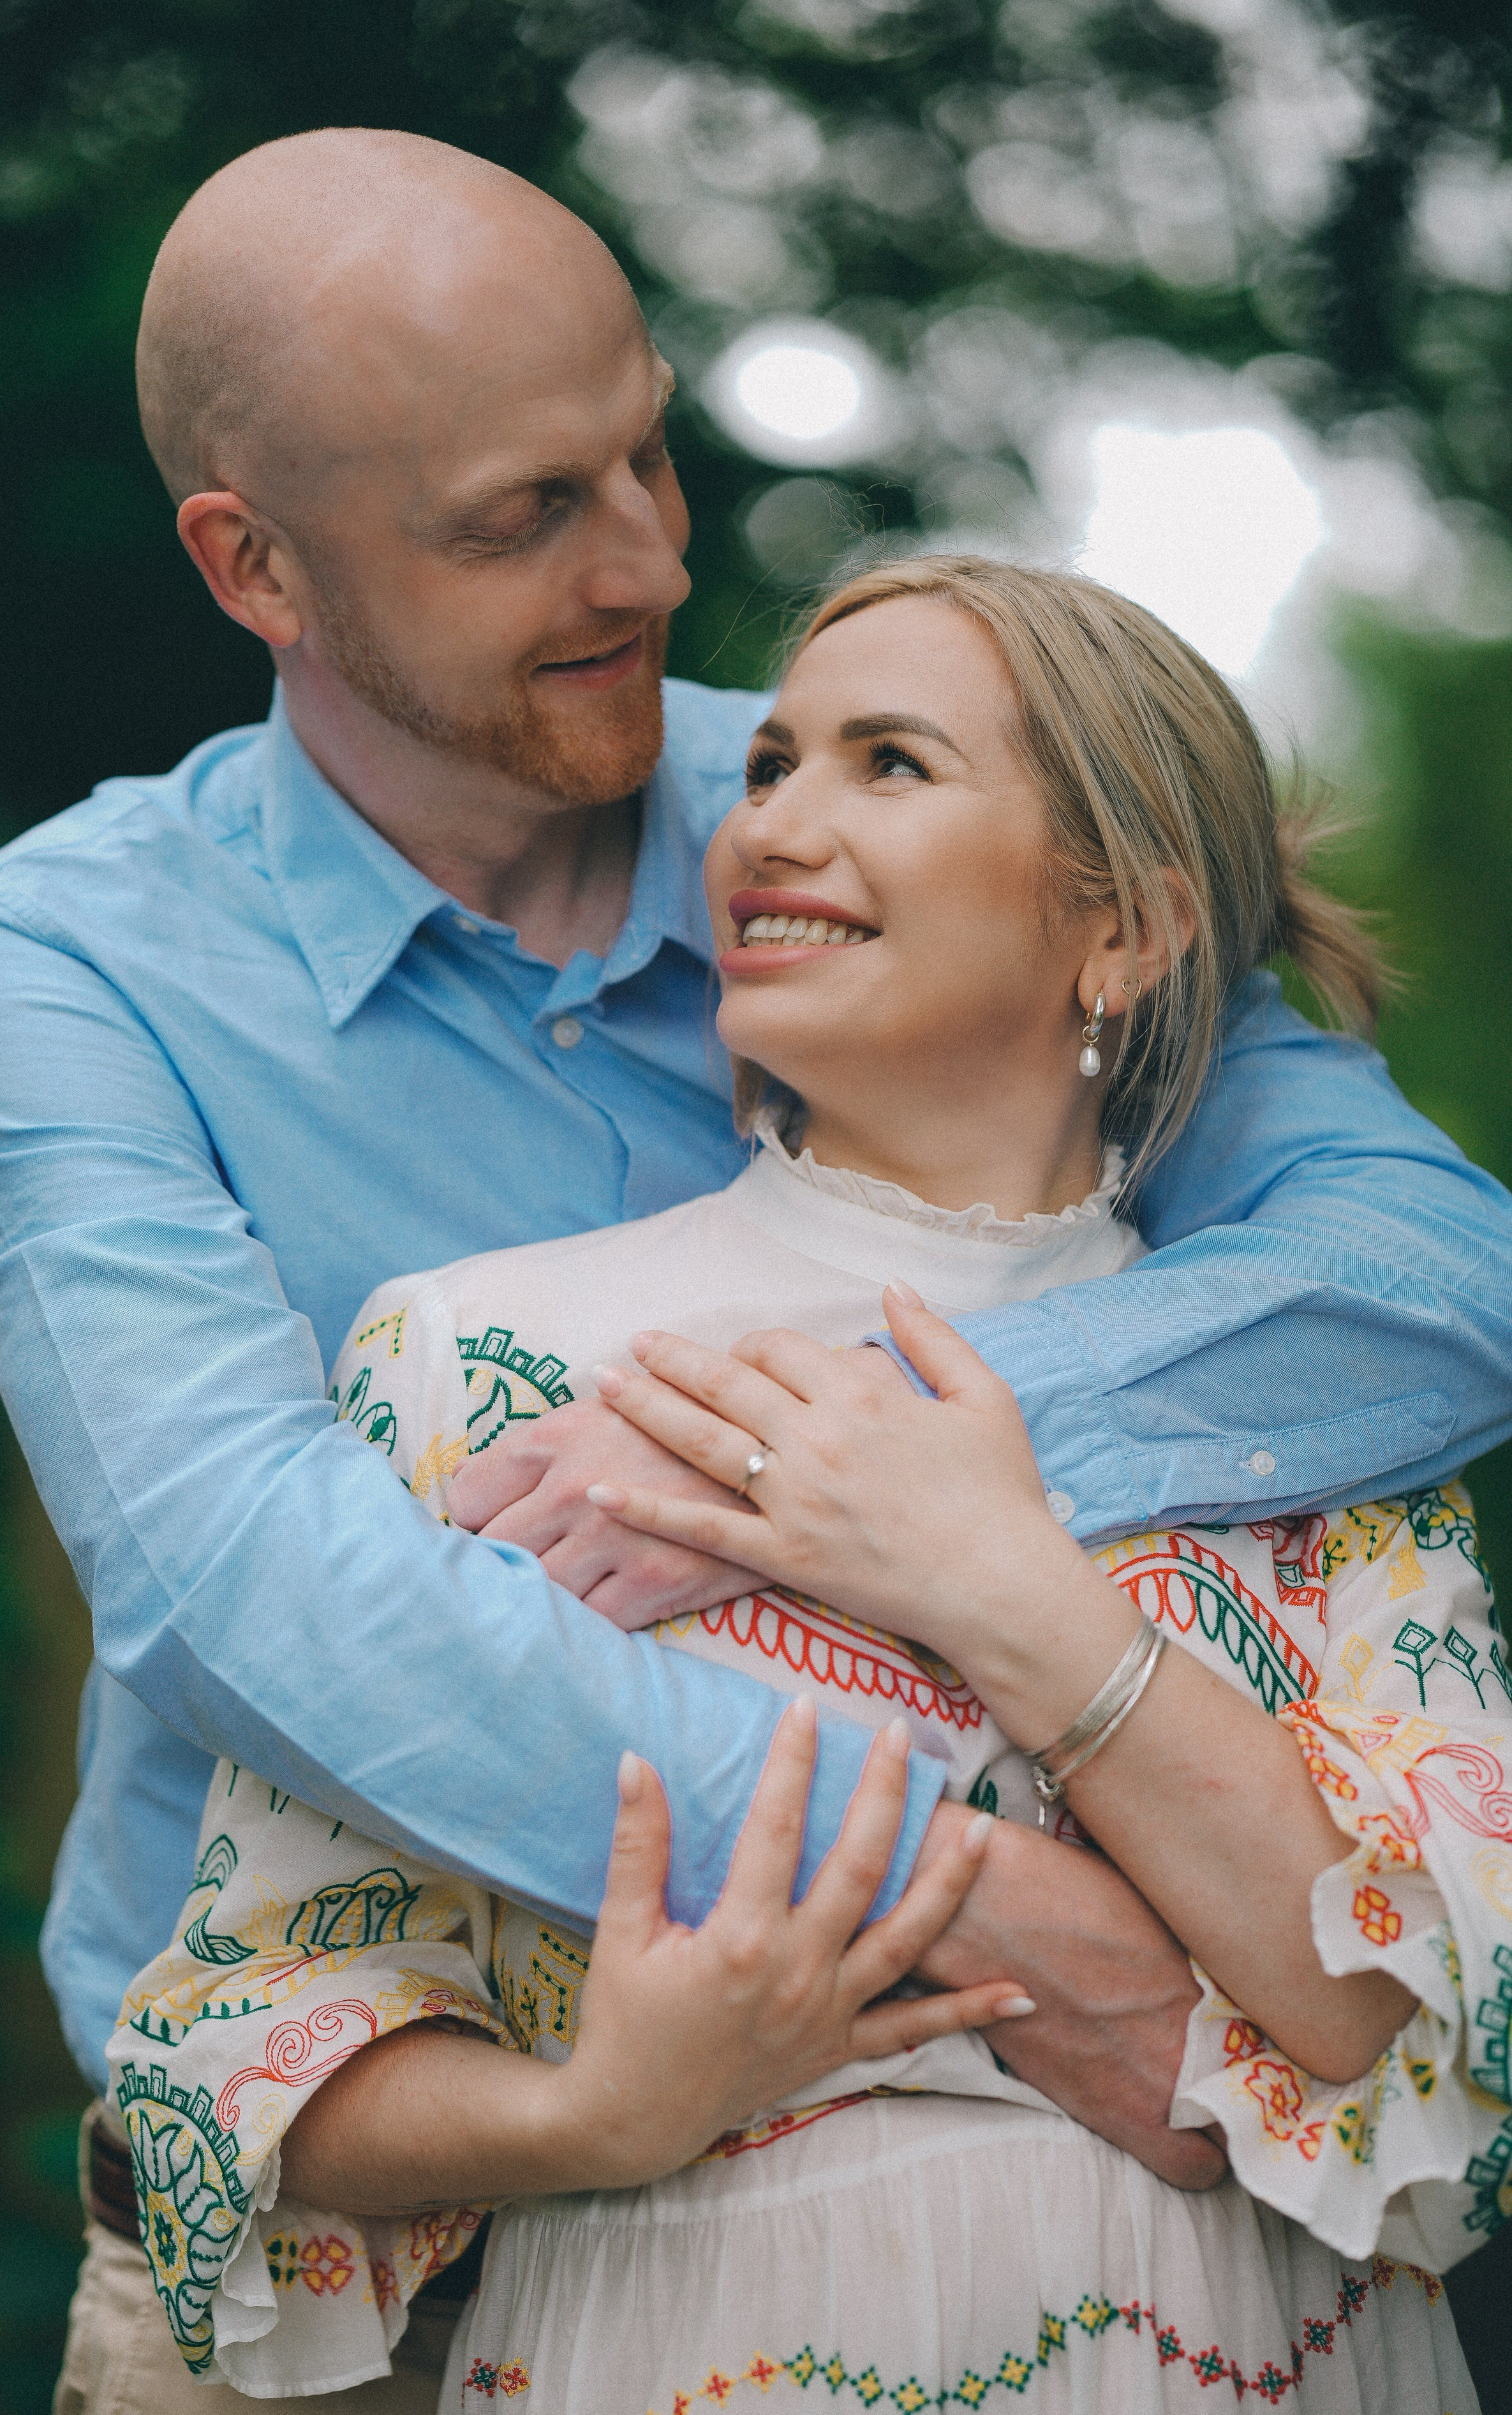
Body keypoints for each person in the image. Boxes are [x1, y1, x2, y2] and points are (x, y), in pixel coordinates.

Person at [0, 127, 1511, 2398]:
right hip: (360, 2206)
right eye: (519, 518)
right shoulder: (73, 961)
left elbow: (1433, 1278)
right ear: (256, 567)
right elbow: (253, 1590)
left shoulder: (910, 849)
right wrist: (960, 1891)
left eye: (643, 449)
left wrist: (831, 1457)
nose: (651, 561)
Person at [108, 560, 1507, 2412]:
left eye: (890, 764)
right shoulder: (490, 1367)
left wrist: (999, 1583)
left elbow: (1404, 2030)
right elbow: (234, 2046)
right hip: (685, 2337)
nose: (771, 823)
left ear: (1128, 929)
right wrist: (596, 2109)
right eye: (770, 763)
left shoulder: (1304, 1402)